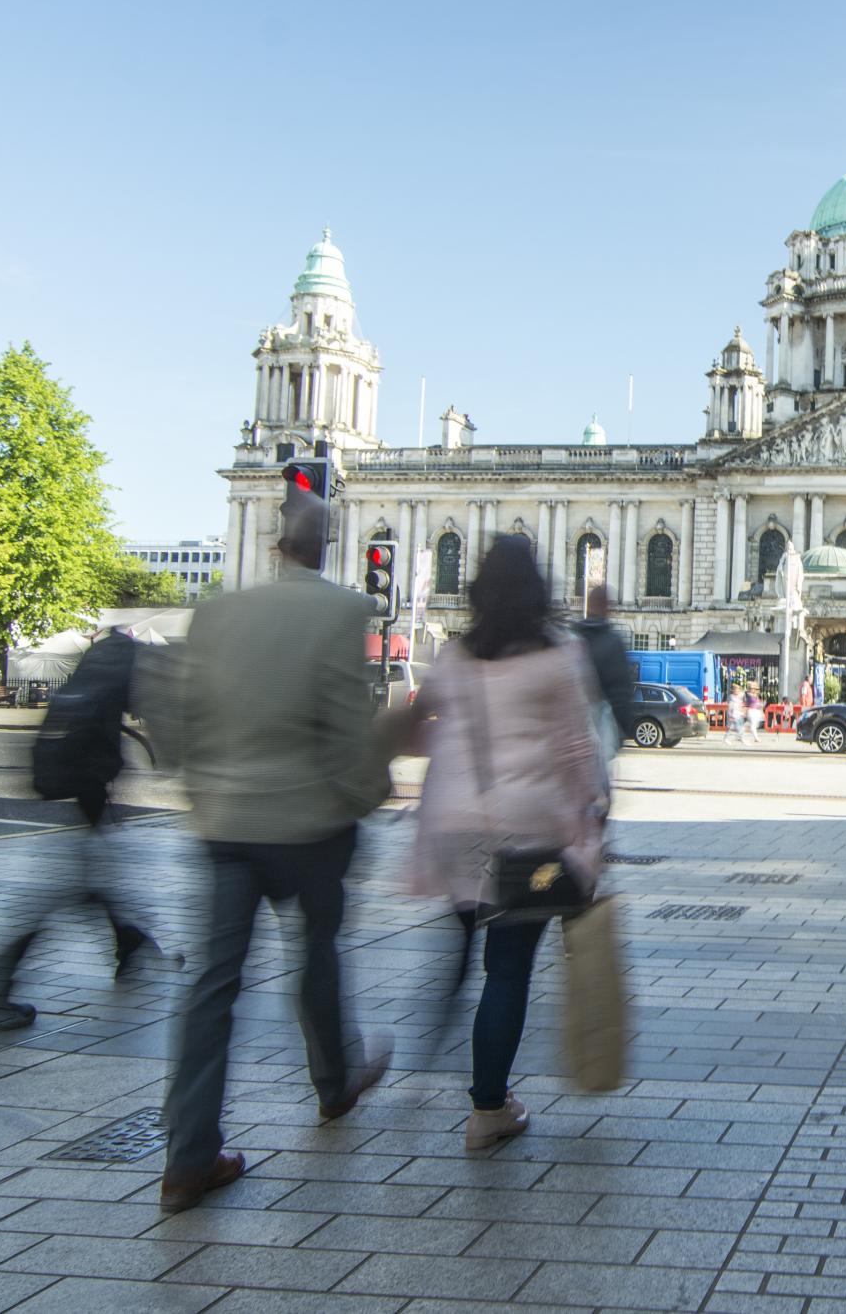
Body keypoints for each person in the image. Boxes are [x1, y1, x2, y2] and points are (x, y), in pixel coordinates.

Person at [159, 490, 393, 1213]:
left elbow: (176, 718)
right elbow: (349, 728)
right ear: (327, 545)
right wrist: (366, 797)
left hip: (226, 824)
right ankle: (333, 1083)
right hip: (310, 823)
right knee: (316, 955)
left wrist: (200, 793)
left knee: (211, 988)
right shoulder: (342, 611)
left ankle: (187, 1159)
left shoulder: (216, 613)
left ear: (272, 541)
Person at [395, 536, 607, 1150]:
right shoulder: (559, 657)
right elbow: (576, 752)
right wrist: (593, 818)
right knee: (508, 971)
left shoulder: (457, 655)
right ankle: (487, 1107)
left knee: (461, 949)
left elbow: (418, 726)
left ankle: (427, 1050)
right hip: (527, 832)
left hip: (454, 826)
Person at [0, 630, 175, 1024]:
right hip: (90, 789)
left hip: (85, 790)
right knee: (63, 892)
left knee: (85, 884)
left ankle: (127, 941)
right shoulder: (120, 672)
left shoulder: (95, 672)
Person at [574, 585, 631, 756]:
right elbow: (622, 694)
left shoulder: (571, 637)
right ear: (606, 607)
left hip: (574, 734)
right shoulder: (614, 642)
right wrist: (619, 736)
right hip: (603, 732)